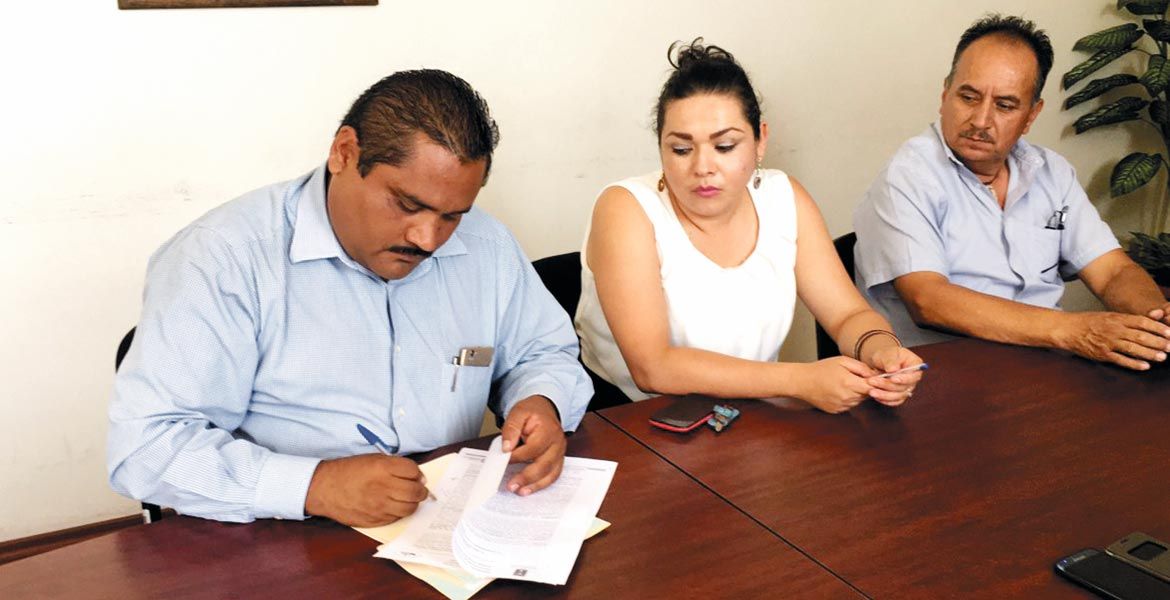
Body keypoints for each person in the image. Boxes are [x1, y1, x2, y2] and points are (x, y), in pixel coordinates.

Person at [108, 70, 592, 527]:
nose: (427, 238)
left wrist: (541, 400)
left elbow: (542, 352)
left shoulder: (487, 246)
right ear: (344, 153)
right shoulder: (222, 258)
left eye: (452, 216)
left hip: (445, 520)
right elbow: (145, 447)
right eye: (407, 204)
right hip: (279, 534)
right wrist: (313, 486)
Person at [575, 40, 924, 414]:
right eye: (681, 149)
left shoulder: (784, 198)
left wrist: (882, 350)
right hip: (631, 419)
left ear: (760, 141)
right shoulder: (625, 209)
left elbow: (848, 316)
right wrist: (800, 381)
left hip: (749, 415)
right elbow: (653, 367)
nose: (703, 167)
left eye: (725, 146)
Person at [853, 15, 1170, 371]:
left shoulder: (1052, 173)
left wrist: (1157, 320)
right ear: (945, 95)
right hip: (938, 376)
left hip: (1044, 369)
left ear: (1031, 115)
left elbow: (1112, 271)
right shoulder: (908, 175)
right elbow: (928, 300)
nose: (980, 120)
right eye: (968, 97)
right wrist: (1073, 330)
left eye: (1004, 105)